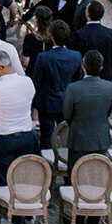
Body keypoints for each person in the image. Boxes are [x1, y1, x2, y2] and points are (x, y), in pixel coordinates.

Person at [0, 47, 39, 189]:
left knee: (5, 178)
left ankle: (8, 202)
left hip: (4, 136)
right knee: (25, 174)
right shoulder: (27, 81)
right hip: (27, 134)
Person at [62, 48, 112, 177]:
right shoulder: (109, 87)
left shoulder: (74, 88)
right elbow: (108, 111)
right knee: (97, 176)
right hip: (100, 138)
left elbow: (67, 114)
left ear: (83, 67)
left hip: (79, 138)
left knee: (76, 175)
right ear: (101, 67)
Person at [32, 20, 83, 150]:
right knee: (65, 134)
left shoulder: (43, 57)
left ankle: (47, 165)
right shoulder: (76, 56)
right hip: (66, 100)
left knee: (46, 137)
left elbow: (36, 81)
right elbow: (78, 79)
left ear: (52, 37)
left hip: (47, 101)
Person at [74, 1, 112, 82]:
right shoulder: (110, 33)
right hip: (105, 78)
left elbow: (76, 60)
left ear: (87, 14)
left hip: (85, 79)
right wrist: (109, 74)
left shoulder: (80, 34)